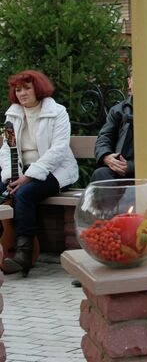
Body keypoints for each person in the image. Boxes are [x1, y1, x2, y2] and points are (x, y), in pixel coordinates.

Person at [0, 70, 79, 276]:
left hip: (56, 171)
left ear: (38, 89)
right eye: (18, 90)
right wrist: (11, 177)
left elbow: (58, 150)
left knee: (25, 193)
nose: (22, 93)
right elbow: (6, 150)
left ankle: (24, 253)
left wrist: (28, 177)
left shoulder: (57, 112)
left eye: (27, 88)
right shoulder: (13, 114)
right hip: (20, 171)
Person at [91, 70, 134, 182]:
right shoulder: (118, 111)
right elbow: (104, 138)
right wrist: (106, 157)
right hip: (119, 170)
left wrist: (131, 166)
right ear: (129, 82)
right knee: (101, 174)